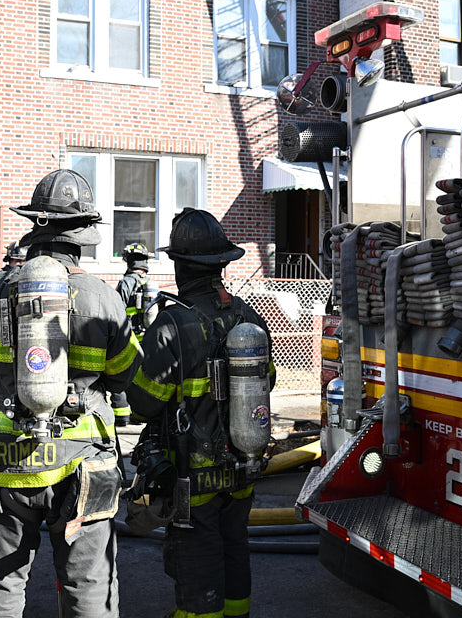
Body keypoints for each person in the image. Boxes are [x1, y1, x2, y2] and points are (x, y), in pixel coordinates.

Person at [0, 169, 141, 618]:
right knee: (88, 586)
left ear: (33, 228)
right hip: (83, 464)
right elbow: (125, 374)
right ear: (82, 236)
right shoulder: (104, 297)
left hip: (6, 463)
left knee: (1, 586)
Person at [127, 208, 275, 618]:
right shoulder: (245, 315)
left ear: (180, 264)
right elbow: (270, 380)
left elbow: (143, 404)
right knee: (234, 550)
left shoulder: (173, 323)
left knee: (198, 565)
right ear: (221, 264)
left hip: (195, 479)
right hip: (243, 467)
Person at [111, 242, 155, 426]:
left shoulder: (126, 283)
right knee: (142, 377)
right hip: (147, 337)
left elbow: (117, 310)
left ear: (128, 262)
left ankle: (122, 415)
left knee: (120, 372)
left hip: (129, 336)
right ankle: (140, 413)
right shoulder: (148, 284)